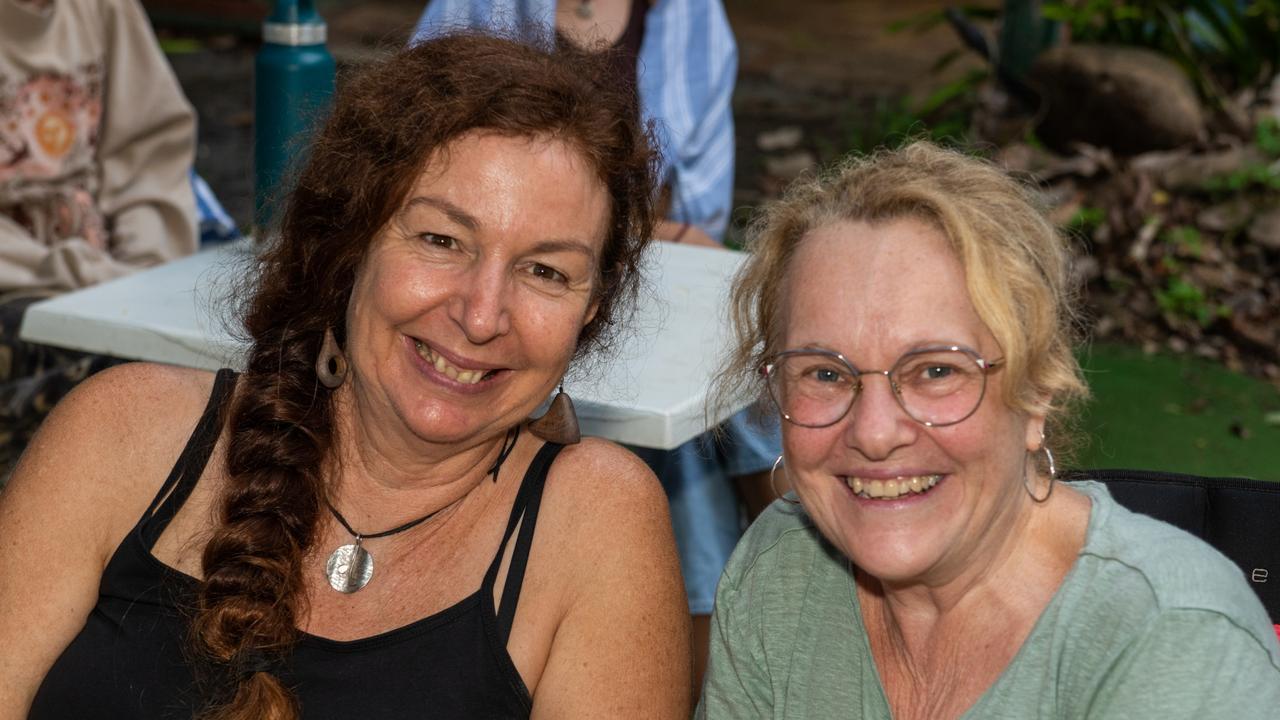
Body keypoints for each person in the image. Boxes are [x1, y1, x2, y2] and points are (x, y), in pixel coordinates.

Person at [0, 32, 688, 719]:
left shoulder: (594, 524)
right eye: (440, 240)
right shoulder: (119, 435)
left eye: (545, 271)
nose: (482, 316)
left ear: (589, 311)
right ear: (350, 243)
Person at [698, 141, 1280, 717]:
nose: (874, 433)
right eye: (825, 372)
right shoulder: (779, 570)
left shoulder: (1173, 644)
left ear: (1037, 393)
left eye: (936, 370)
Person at [412, 3, 782, 691]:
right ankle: (764, 602)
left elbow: (698, 214)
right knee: (705, 449)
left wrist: (613, 242)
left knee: (723, 408)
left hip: (632, 271)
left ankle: (778, 587)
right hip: (543, 276)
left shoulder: (690, 14)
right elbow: (411, 148)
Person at [0, 0, 201, 472]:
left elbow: (149, 154)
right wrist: (80, 275)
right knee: (104, 398)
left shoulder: (104, 9)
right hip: (21, 290)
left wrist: (146, 275)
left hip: (110, 285)